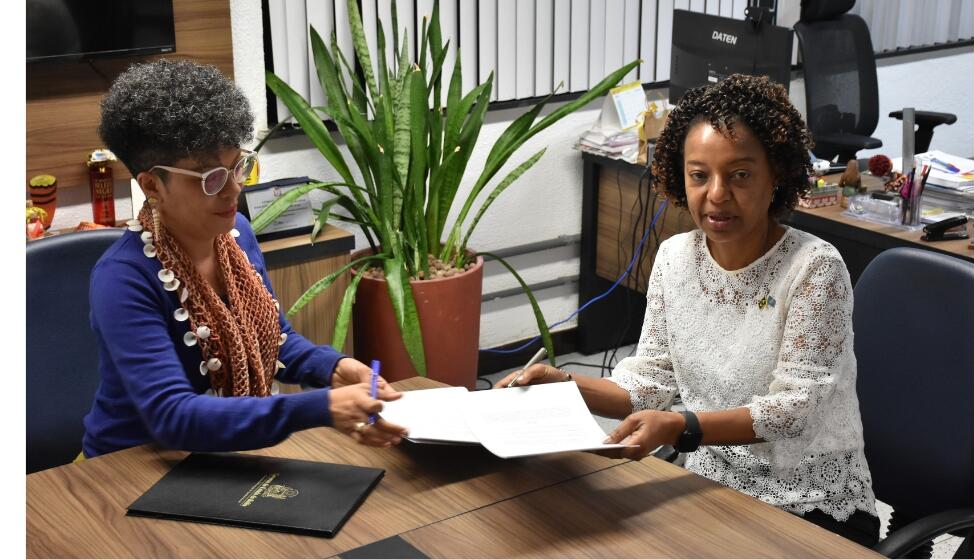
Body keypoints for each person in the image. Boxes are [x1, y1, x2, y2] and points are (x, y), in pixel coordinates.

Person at [498, 74, 879, 547]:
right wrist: (565, 386)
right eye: (699, 175)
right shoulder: (676, 257)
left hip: (809, 503)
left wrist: (684, 426)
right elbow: (651, 382)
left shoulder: (814, 269)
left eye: (739, 175)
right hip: (709, 479)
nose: (716, 194)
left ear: (775, 174)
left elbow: (793, 412)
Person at [81, 59, 406, 459]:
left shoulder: (237, 237)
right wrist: (319, 408)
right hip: (130, 468)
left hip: (219, 456)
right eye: (210, 178)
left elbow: (275, 339)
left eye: (239, 166)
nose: (233, 189)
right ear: (152, 185)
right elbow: (171, 415)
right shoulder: (122, 279)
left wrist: (334, 369)